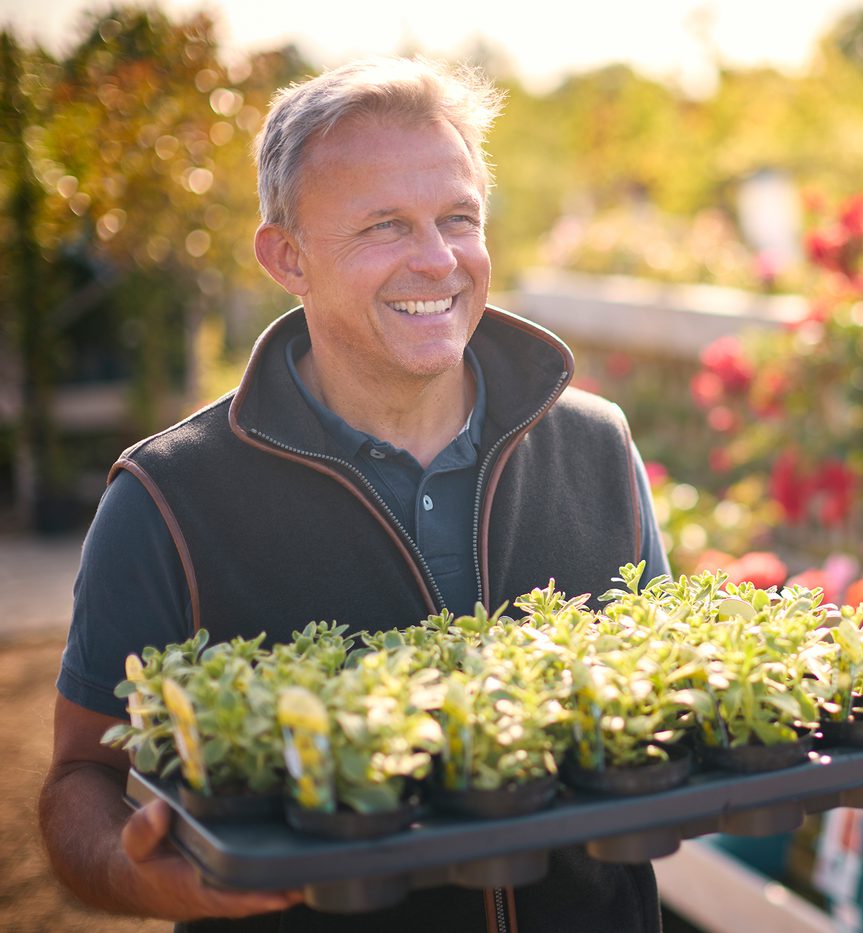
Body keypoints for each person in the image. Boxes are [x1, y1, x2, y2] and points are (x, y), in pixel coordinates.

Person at [39, 57, 669, 933]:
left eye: (459, 218)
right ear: (286, 256)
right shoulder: (166, 498)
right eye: (384, 227)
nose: (438, 260)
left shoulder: (597, 445)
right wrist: (143, 876)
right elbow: (81, 774)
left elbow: (671, 704)